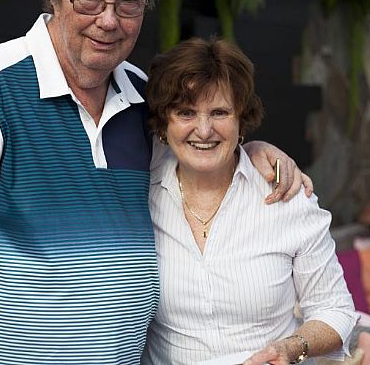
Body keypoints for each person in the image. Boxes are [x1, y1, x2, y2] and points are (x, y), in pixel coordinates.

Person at [0, 0, 311, 364]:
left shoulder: (145, 97)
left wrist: (252, 149)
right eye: (90, 0)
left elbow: (199, 156)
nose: (108, 20)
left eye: (128, 4)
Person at [142, 38, 355, 365]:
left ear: (241, 118)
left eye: (220, 112)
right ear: (163, 122)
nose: (204, 130)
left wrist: (292, 347)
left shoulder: (288, 198)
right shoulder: (141, 197)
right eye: (186, 112)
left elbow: (335, 310)